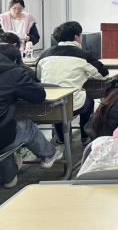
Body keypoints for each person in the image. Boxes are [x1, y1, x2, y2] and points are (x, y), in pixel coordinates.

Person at [0, 46, 64, 188]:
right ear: (15, 60)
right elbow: (38, 96)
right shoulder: (14, 73)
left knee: (7, 128)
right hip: (2, 137)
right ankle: (50, 154)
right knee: (25, 126)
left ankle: (9, 177)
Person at [36, 21, 109, 145]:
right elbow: (104, 75)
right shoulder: (83, 55)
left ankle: (62, 139)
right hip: (70, 105)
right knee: (88, 101)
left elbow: (38, 76)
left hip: (45, 105)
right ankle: (85, 137)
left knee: (59, 103)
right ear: (76, 37)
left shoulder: (44, 54)